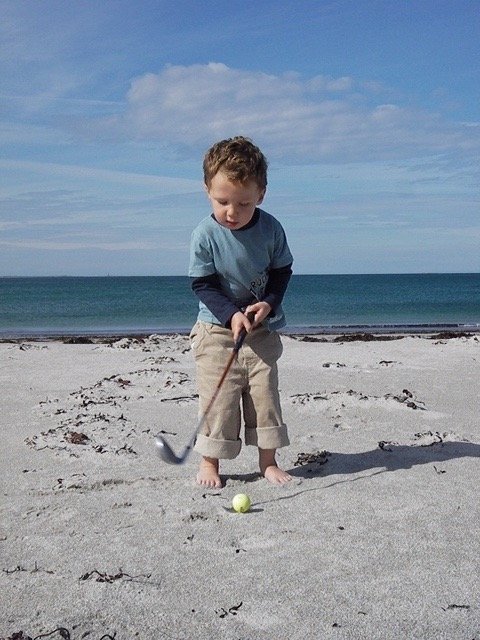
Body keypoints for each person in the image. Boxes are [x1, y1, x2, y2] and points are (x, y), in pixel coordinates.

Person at [189, 136, 293, 488]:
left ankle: (268, 462)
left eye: (244, 203)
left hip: (261, 329)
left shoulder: (271, 229)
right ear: (207, 190)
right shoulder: (204, 235)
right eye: (223, 202)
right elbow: (203, 285)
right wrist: (230, 315)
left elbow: (281, 272)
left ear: (261, 194)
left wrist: (269, 303)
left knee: (265, 396)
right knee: (219, 398)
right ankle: (209, 463)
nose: (232, 212)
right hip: (216, 331)